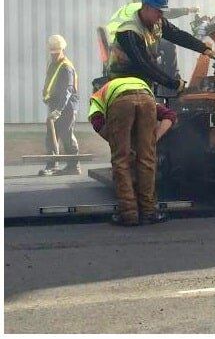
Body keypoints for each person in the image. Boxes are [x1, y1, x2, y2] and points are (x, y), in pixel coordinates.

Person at [88, 76, 177, 226]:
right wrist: (153, 141)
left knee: (121, 161)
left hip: (120, 103)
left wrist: (119, 144)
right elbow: (170, 116)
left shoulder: (97, 96)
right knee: (147, 159)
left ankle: (129, 214)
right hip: (146, 99)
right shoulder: (135, 86)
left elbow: (97, 123)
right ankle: (149, 212)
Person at [107, 0, 215, 92]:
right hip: (123, 82)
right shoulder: (129, 32)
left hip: (142, 82)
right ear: (146, 7)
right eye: (158, 11)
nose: (161, 15)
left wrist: (204, 49)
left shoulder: (156, 22)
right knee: (167, 48)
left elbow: (177, 35)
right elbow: (144, 65)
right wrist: (174, 84)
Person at [39, 34, 80, 176]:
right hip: (55, 105)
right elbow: (50, 83)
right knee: (51, 136)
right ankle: (52, 165)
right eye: (52, 53)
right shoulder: (53, 64)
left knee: (66, 134)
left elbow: (67, 91)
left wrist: (58, 110)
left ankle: (73, 166)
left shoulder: (66, 67)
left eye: (56, 53)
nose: (54, 55)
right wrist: (46, 96)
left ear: (62, 50)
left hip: (67, 107)